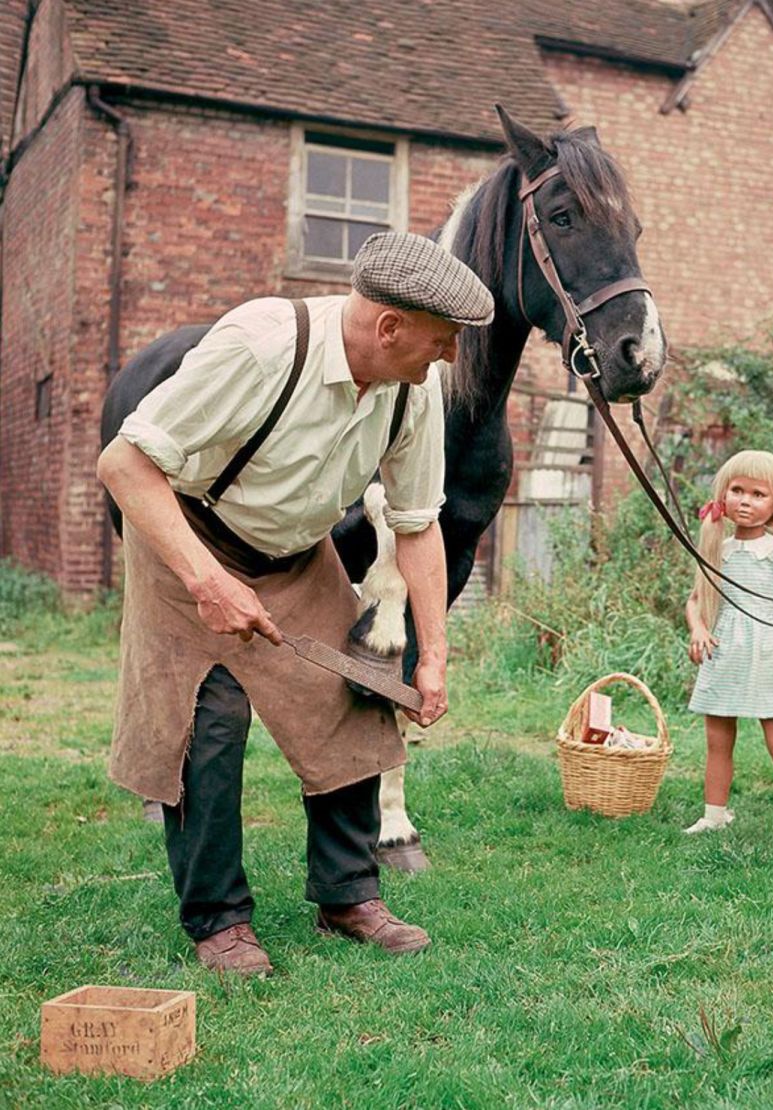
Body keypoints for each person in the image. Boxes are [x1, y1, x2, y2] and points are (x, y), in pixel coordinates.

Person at [97, 232, 495, 975]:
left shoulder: (413, 389)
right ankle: (219, 922)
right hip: (187, 538)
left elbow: (416, 524)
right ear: (388, 328)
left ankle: (348, 895)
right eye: (440, 343)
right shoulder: (259, 347)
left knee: (355, 696)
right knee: (205, 727)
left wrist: (432, 653)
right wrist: (207, 581)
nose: (446, 358)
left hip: (294, 554)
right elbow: (124, 463)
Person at [684, 450, 773, 851]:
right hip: (725, 651)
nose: (745, 501)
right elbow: (696, 599)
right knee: (717, 738)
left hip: (770, 652)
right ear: (723, 496)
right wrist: (698, 628)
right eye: (737, 491)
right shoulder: (719, 550)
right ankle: (714, 815)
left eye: (757, 494)